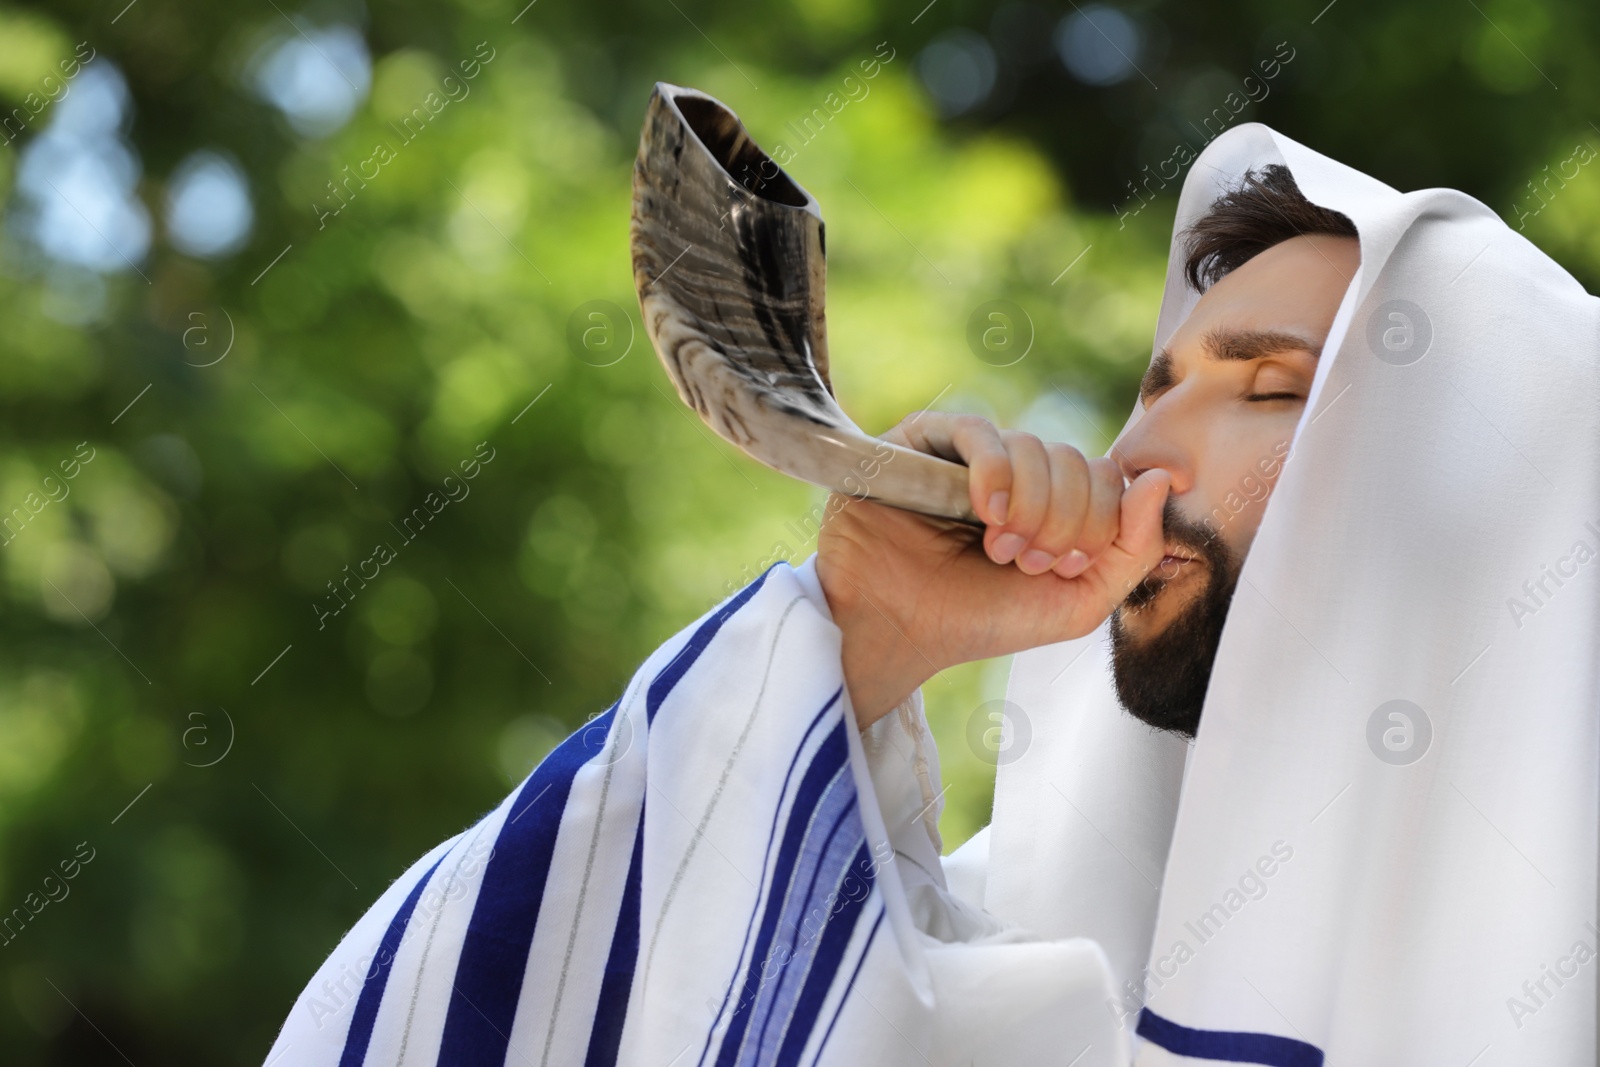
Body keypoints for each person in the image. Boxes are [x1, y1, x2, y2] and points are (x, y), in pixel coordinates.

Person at [264, 123, 1599, 1067]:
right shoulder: (996, 997)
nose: (1136, 455)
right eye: (1155, 387)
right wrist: (864, 636)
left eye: (1272, 389)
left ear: (1485, 491)